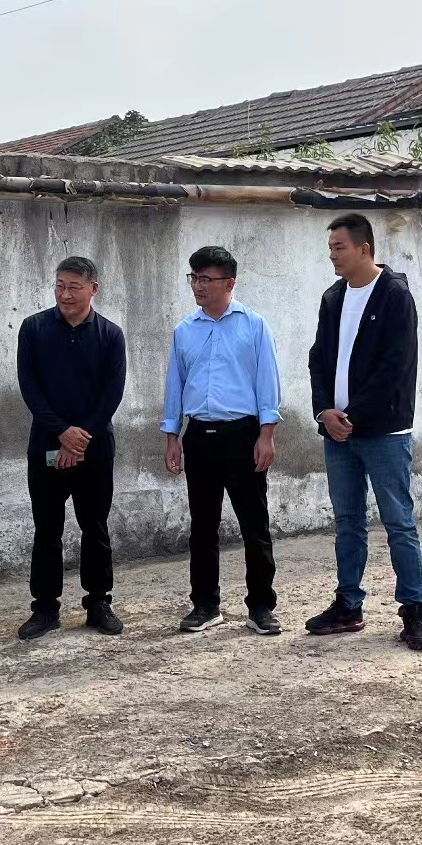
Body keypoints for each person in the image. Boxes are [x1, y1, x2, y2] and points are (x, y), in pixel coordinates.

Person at [305, 213, 422, 651]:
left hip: (384, 431)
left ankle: (413, 610)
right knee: (347, 521)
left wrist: (352, 415)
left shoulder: (395, 295)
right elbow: (318, 359)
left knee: (398, 522)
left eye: (339, 247)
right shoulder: (333, 297)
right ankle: (348, 604)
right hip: (337, 431)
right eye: (330, 248)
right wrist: (324, 411)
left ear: (364, 248)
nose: (332, 255)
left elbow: (394, 367)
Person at [162, 246, 283, 636]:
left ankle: (261, 607)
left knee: (254, 526)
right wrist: (172, 436)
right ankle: (205, 605)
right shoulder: (185, 330)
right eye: (194, 278)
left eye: (206, 279)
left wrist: (266, 434)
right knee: (202, 526)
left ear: (229, 283)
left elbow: (267, 382)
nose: (198, 286)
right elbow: (175, 385)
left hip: (243, 435)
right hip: (199, 436)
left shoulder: (254, 325)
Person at [15, 256, 128, 640]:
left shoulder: (111, 335)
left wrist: (80, 438)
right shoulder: (34, 328)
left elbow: (112, 394)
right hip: (46, 446)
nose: (65, 294)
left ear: (93, 289)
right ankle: (45, 608)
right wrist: (61, 432)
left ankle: (98, 602)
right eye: (60, 286)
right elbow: (30, 387)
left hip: (94, 448)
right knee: (47, 529)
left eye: (74, 287)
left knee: (95, 526)